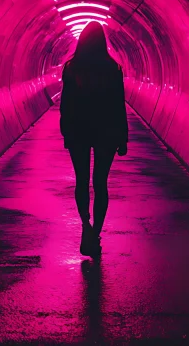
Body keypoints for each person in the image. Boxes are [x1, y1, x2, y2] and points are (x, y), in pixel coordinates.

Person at [60, 21, 128, 257]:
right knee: (100, 183)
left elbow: (65, 104)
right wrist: (123, 137)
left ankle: (85, 226)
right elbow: (120, 105)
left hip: (79, 131)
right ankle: (96, 233)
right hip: (106, 132)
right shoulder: (113, 69)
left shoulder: (71, 68)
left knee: (81, 181)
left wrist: (66, 131)